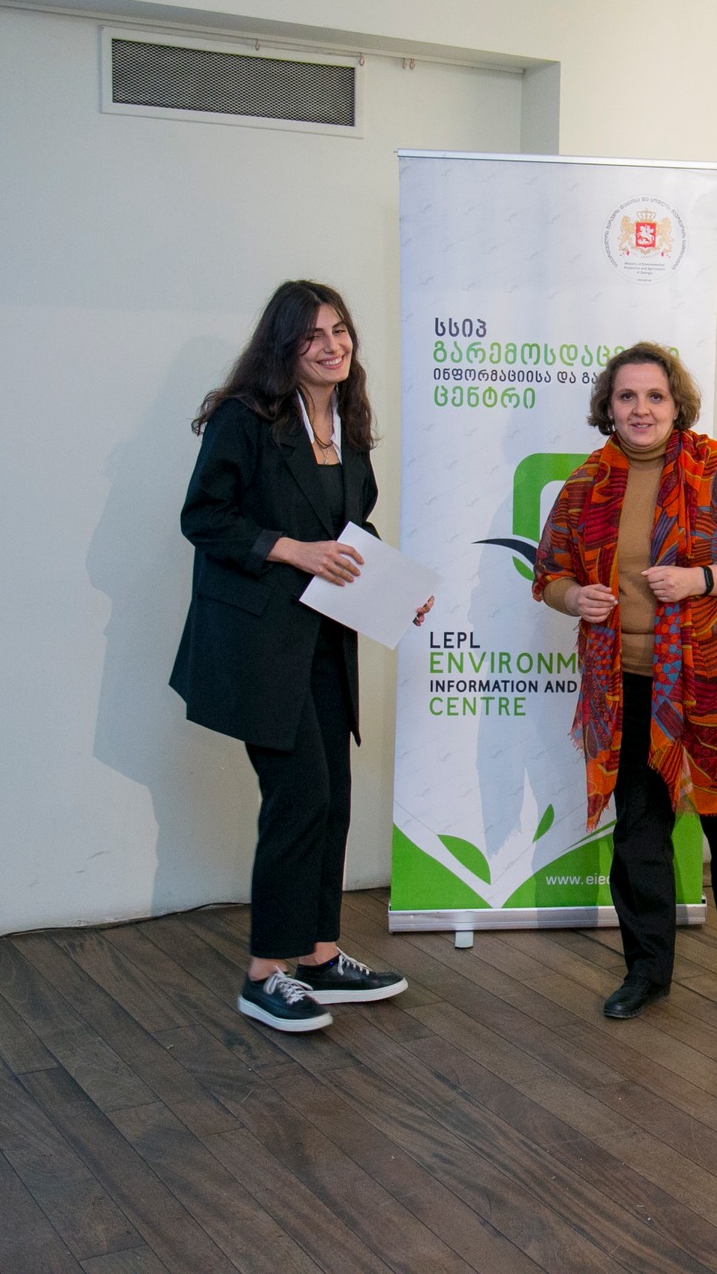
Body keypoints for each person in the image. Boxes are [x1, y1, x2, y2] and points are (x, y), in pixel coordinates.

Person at [170, 280, 429, 1033]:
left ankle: (319, 955)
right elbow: (203, 518)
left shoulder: (349, 421)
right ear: (283, 345)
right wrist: (292, 550)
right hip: (259, 644)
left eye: (340, 330)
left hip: (325, 636)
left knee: (333, 794)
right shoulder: (244, 418)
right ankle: (265, 974)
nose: (332, 345)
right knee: (300, 795)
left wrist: (394, 586)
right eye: (313, 334)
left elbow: (350, 528)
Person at [534, 343, 717, 1021]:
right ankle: (646, 970)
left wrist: (703, 578)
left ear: (678, 405)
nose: (641, 409)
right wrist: (575, 597)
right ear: (608, 406)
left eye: (655, 396)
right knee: (640, 830)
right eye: (627, 397)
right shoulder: (586, 485)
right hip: (627, 679)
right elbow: (551, 572)